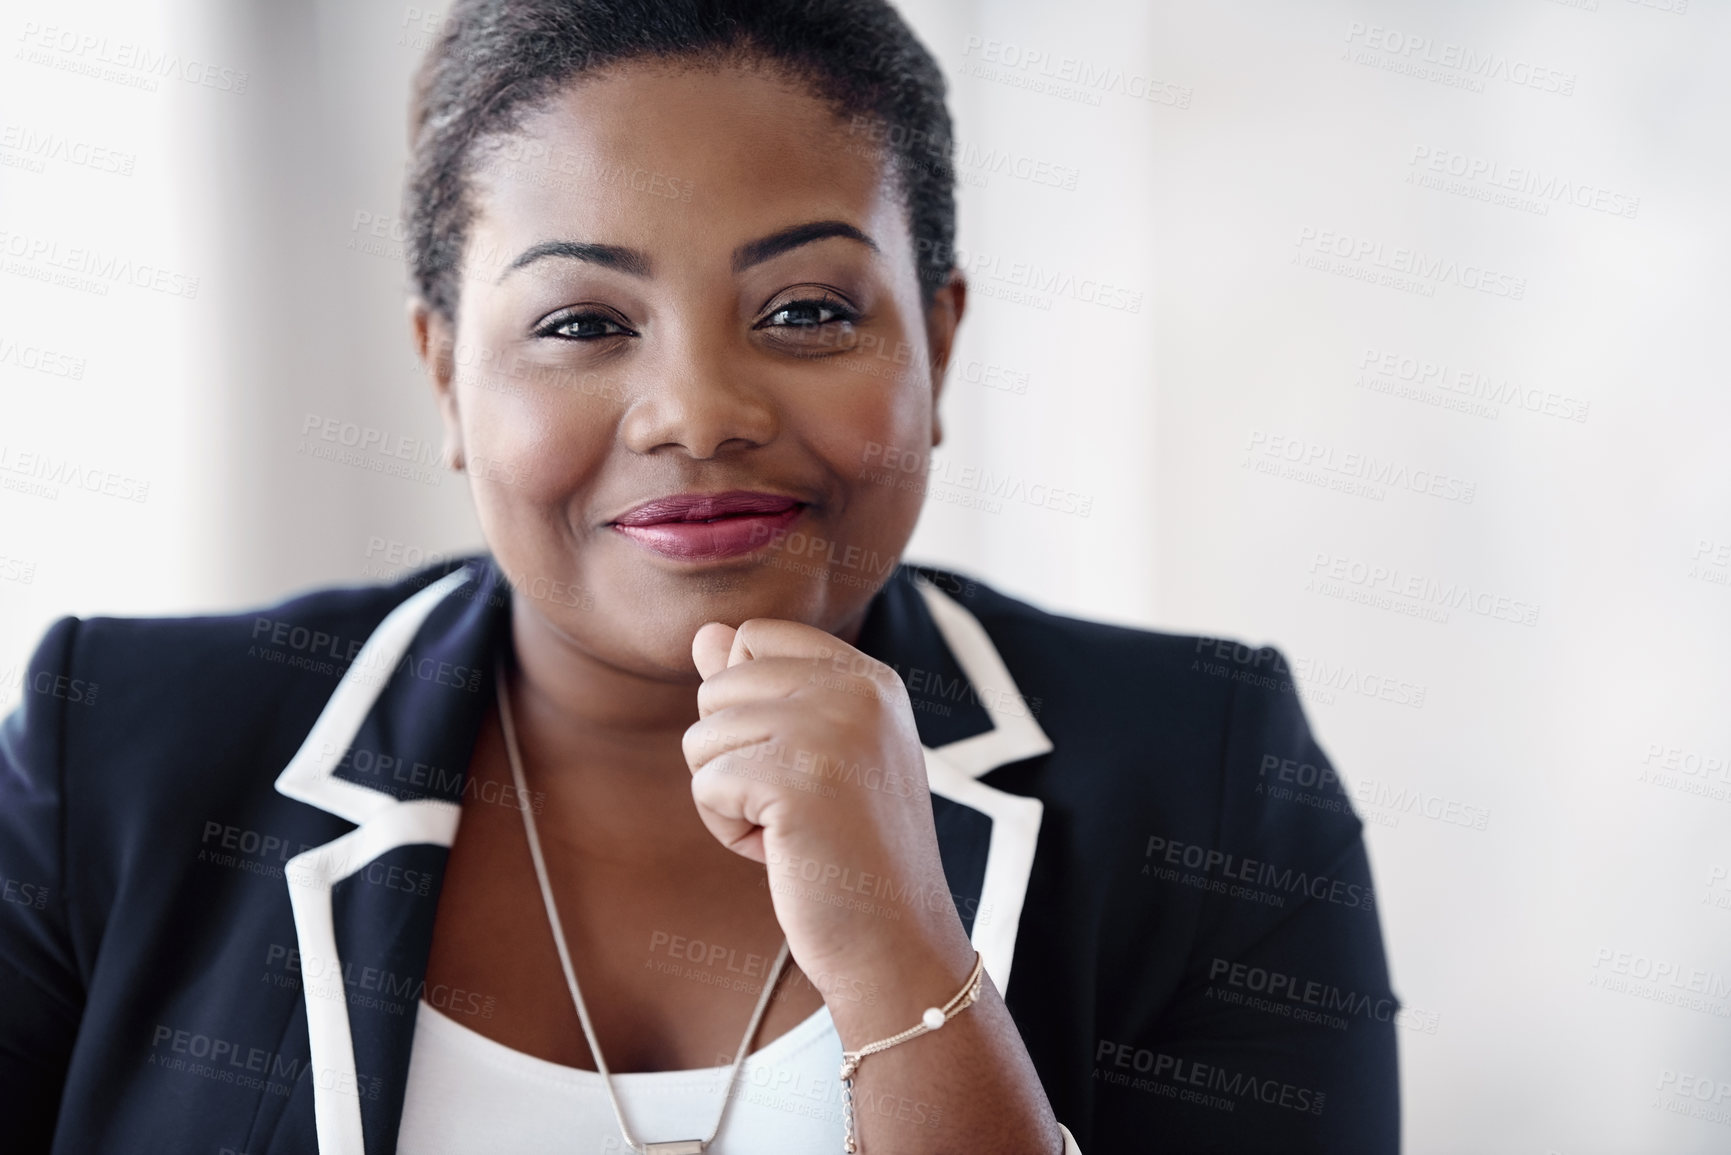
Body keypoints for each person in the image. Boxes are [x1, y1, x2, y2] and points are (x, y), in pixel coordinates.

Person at [0, 1, 1400, 1151]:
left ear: (941, 344)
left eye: (806, 310)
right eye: (582, 320)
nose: (697, 411)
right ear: (443, 372)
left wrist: (907, 963)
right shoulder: (114, 746)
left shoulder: (1208, 775)